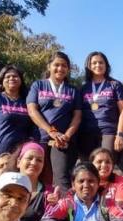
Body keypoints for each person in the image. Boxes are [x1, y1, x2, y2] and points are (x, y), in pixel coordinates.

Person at [27, 52, 82, 189]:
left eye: (64, 66)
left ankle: (63, 208)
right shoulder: (38, 85)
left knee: (61, 178)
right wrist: (51, 131)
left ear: (68, 69)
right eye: (56, 65)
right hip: (41, 138)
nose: (60, 68)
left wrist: (67, 136)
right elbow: (32, 111)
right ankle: (37, 207)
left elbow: (77, 116)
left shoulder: (73, 90)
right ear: (49, 67)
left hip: (63, 141)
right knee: (37, 176)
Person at [0, 64, 33, 186]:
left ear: (21, 80)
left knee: (15, 187)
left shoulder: (27, 101)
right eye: (7, 77)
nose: (12, 78)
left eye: (15, 76)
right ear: (1, 81)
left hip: (18, 157)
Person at [76, 51, 123, 166]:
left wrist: (120, 135)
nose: (98, 65)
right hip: (86, 132)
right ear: (88, 66)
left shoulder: (115, 85)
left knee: (105, 165)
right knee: (87, 167)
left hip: (108, 131)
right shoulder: (83, 88)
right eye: (94, 63)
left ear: (106, 65)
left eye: (101, 62)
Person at [15, 142, 57, 221]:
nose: (34, 163)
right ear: (18, 162)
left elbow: (68, 218)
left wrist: (62, 207)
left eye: (39, 160)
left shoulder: (51, 192)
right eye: (29, 158)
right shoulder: (5, 189)